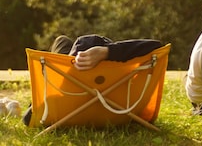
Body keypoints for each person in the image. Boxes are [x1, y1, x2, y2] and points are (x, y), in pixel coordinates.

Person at [22, 34, 162, 125]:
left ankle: (69, 56)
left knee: (61, 40)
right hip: (116, 105)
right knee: (64, 41)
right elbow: (157, 46)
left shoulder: (54, 106)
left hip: (70, 91)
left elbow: (28, 118)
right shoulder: (129, 106)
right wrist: (107, 52)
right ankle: (100, 51)